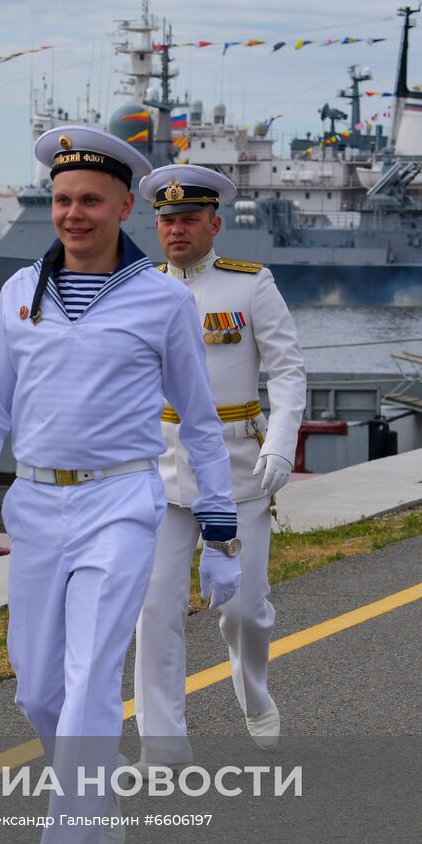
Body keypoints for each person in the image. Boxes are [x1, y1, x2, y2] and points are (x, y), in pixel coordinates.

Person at [0, 127, 240, 844]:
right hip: (34, 505)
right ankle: (94, 802)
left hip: (120, 502)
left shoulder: (162, 300)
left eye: (90, 201)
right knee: (37, 687)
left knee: (93, 681)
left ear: (124, 206)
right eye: (63, 200)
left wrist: (220, 530)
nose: (73, 214)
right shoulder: (16, 295)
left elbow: (201, 424)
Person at [132, 164, 306, 764]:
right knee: (154, 607)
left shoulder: (250, 285)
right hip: (160, 467)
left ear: (215, 224)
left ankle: (253, 691)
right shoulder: (139, 287)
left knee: (244, 611)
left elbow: (286, 369)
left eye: (187, 219)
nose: (176, 230)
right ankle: (163, 742)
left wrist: (281, 440)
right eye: (166, 220)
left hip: (236, 468)